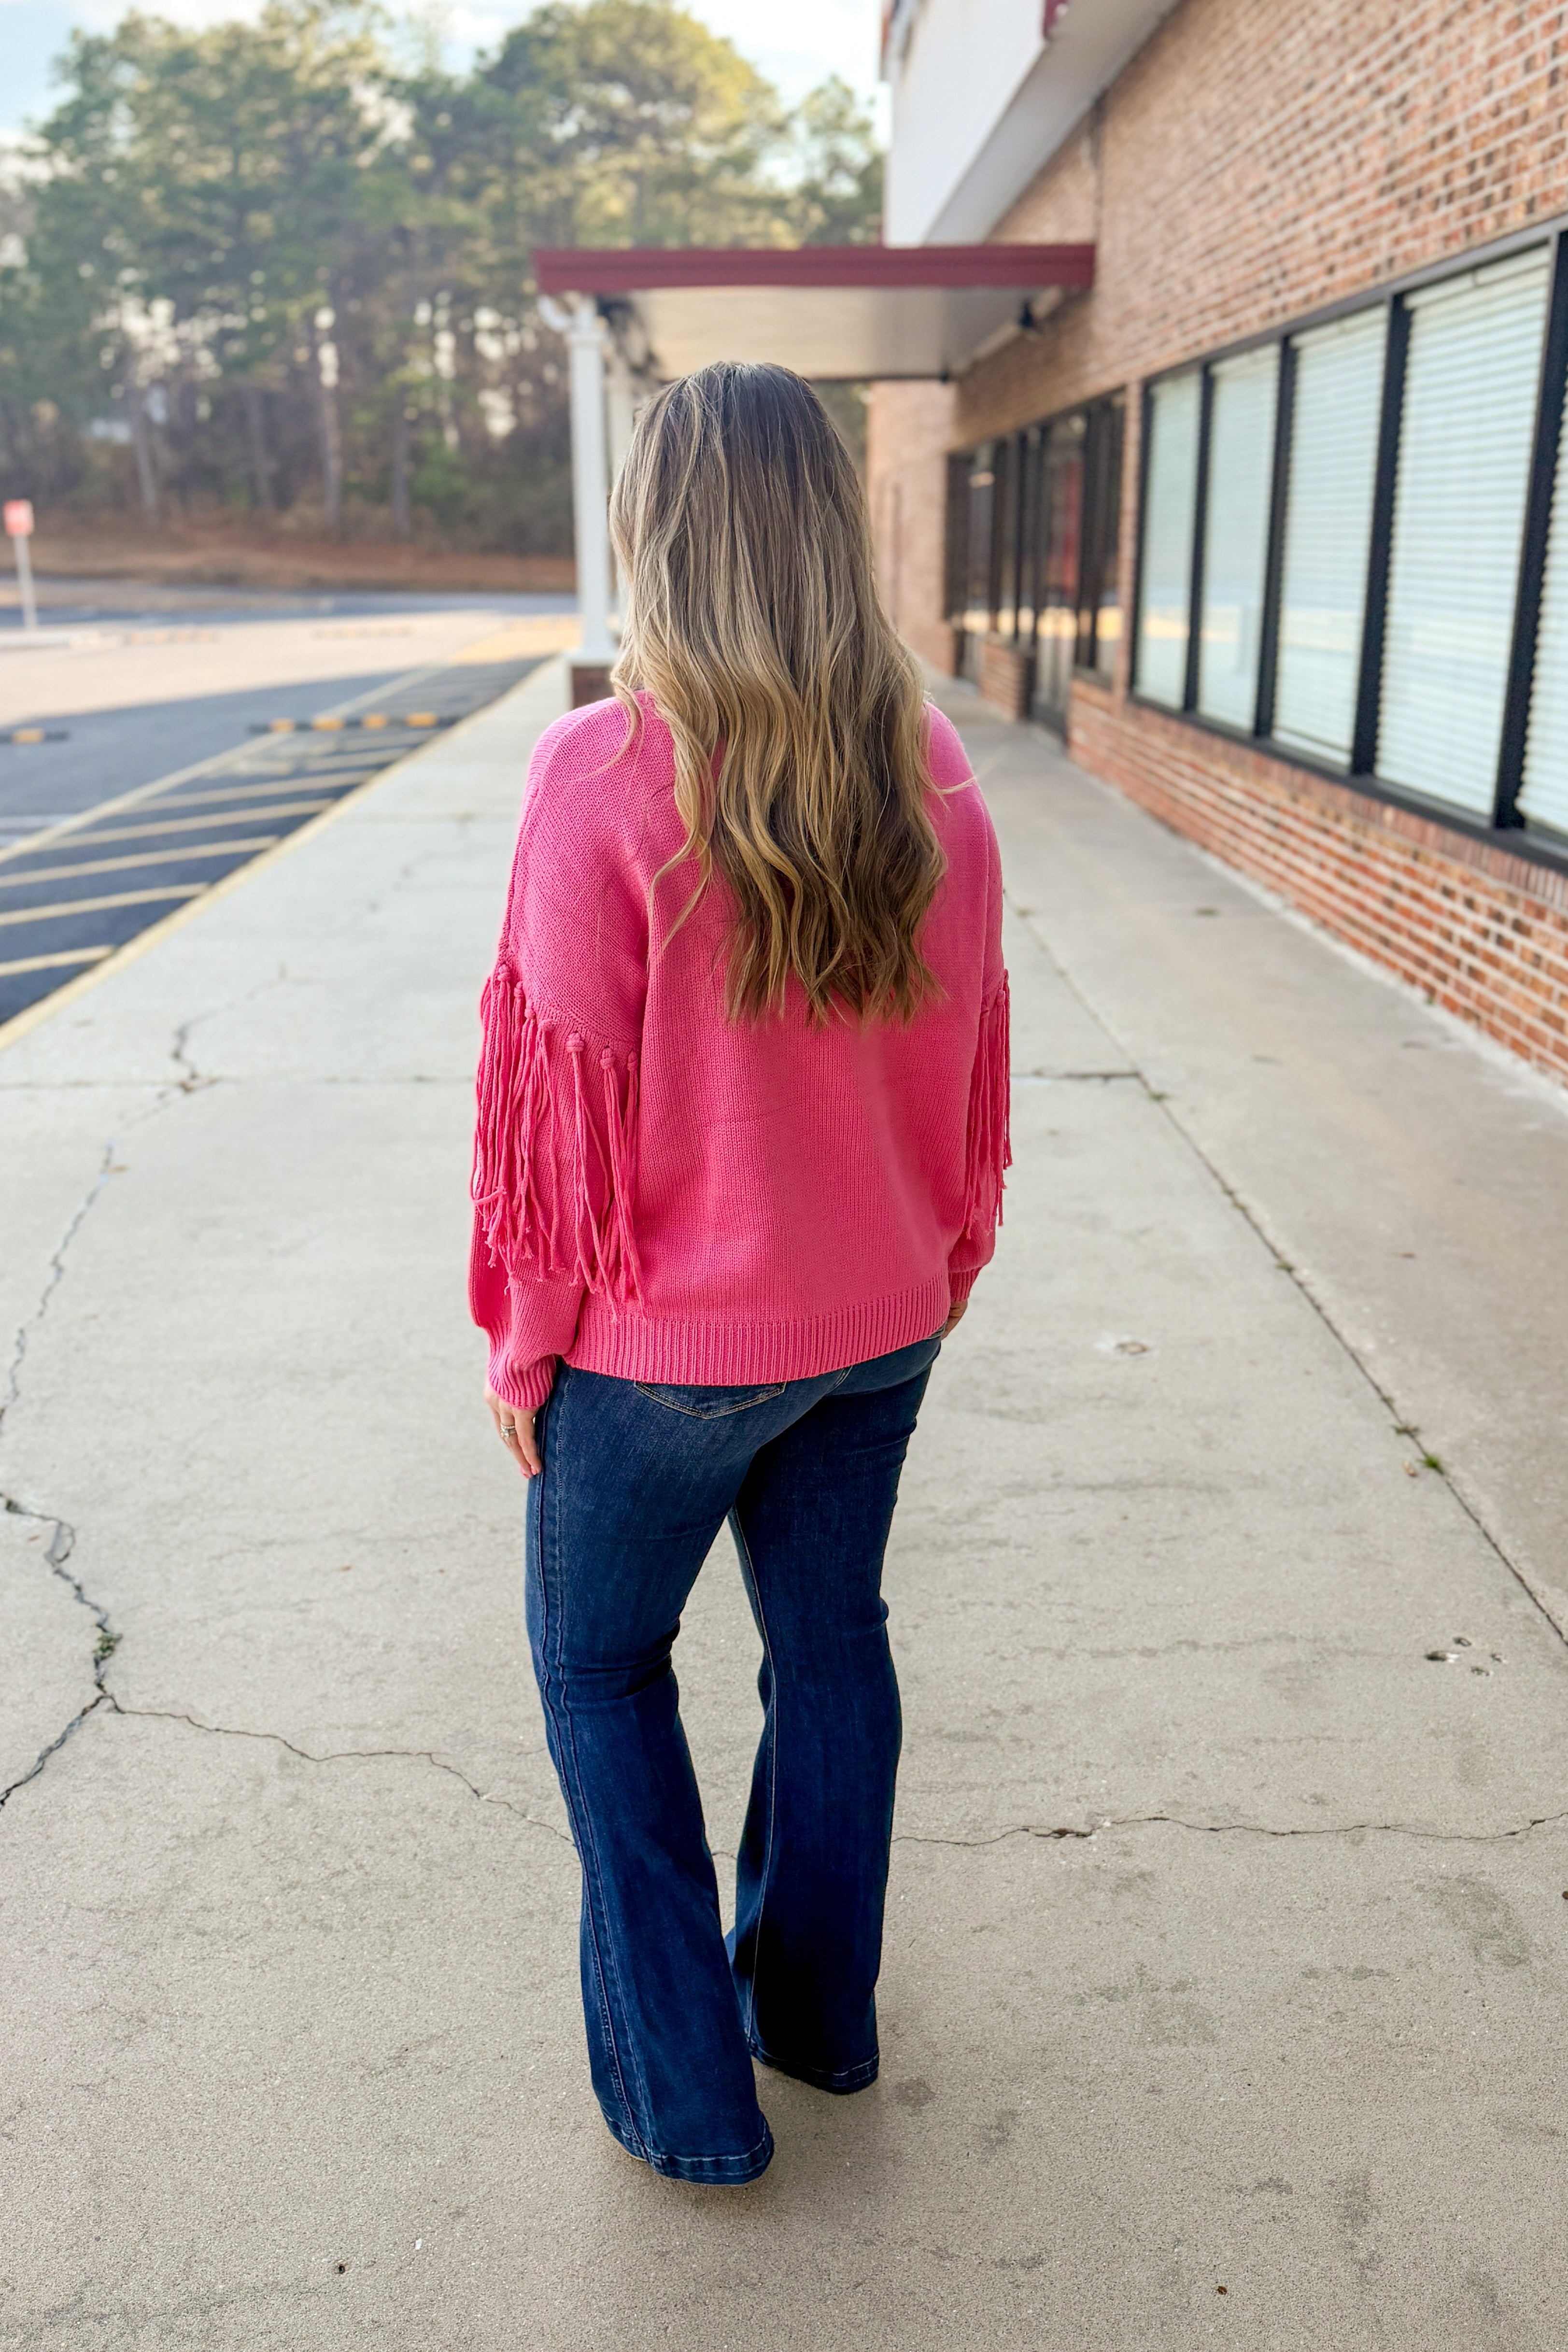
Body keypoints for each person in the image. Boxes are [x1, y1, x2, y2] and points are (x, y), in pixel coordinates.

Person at [469, 362, 1008, 2187]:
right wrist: (938, 1256)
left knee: (602, 1674)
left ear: (663, 529)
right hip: (882, 1323)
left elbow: (561, 1096)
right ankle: (814, 2020)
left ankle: (691, 2108)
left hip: (667, 1348)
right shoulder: (935, 764)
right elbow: (969, 1056)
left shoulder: (603, 769)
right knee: (830, 1645)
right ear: (829, 530)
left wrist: (527, 1346)